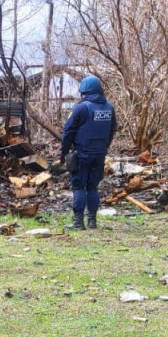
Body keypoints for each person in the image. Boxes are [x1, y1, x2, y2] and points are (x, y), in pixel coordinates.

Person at [60, 75, 116, 230]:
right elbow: (112, 130)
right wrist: (104, 148)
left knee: (78, 186)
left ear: (84, 90)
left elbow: (68, 132)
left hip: (82, 154)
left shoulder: (81, 107)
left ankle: (78, 223)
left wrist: (63, 153)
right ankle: (92, 221)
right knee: (92, 187)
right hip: (100, 154)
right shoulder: (109, 108)